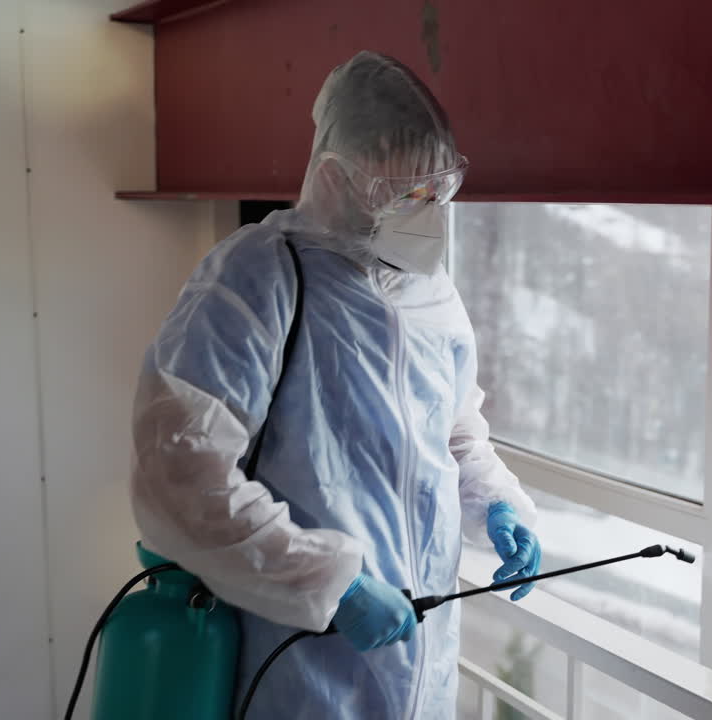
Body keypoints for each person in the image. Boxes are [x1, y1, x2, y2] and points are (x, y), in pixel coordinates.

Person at [130, 51, 539, 719]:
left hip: (420, 668)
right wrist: (333, 584)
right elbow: (178, 475)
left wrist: (499, 507)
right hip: (297, 664)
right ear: (334, 178)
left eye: (436, 192)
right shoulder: (256, 279)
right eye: (405, 194)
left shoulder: (432, 294)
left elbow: (455, 433)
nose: (427, 212)